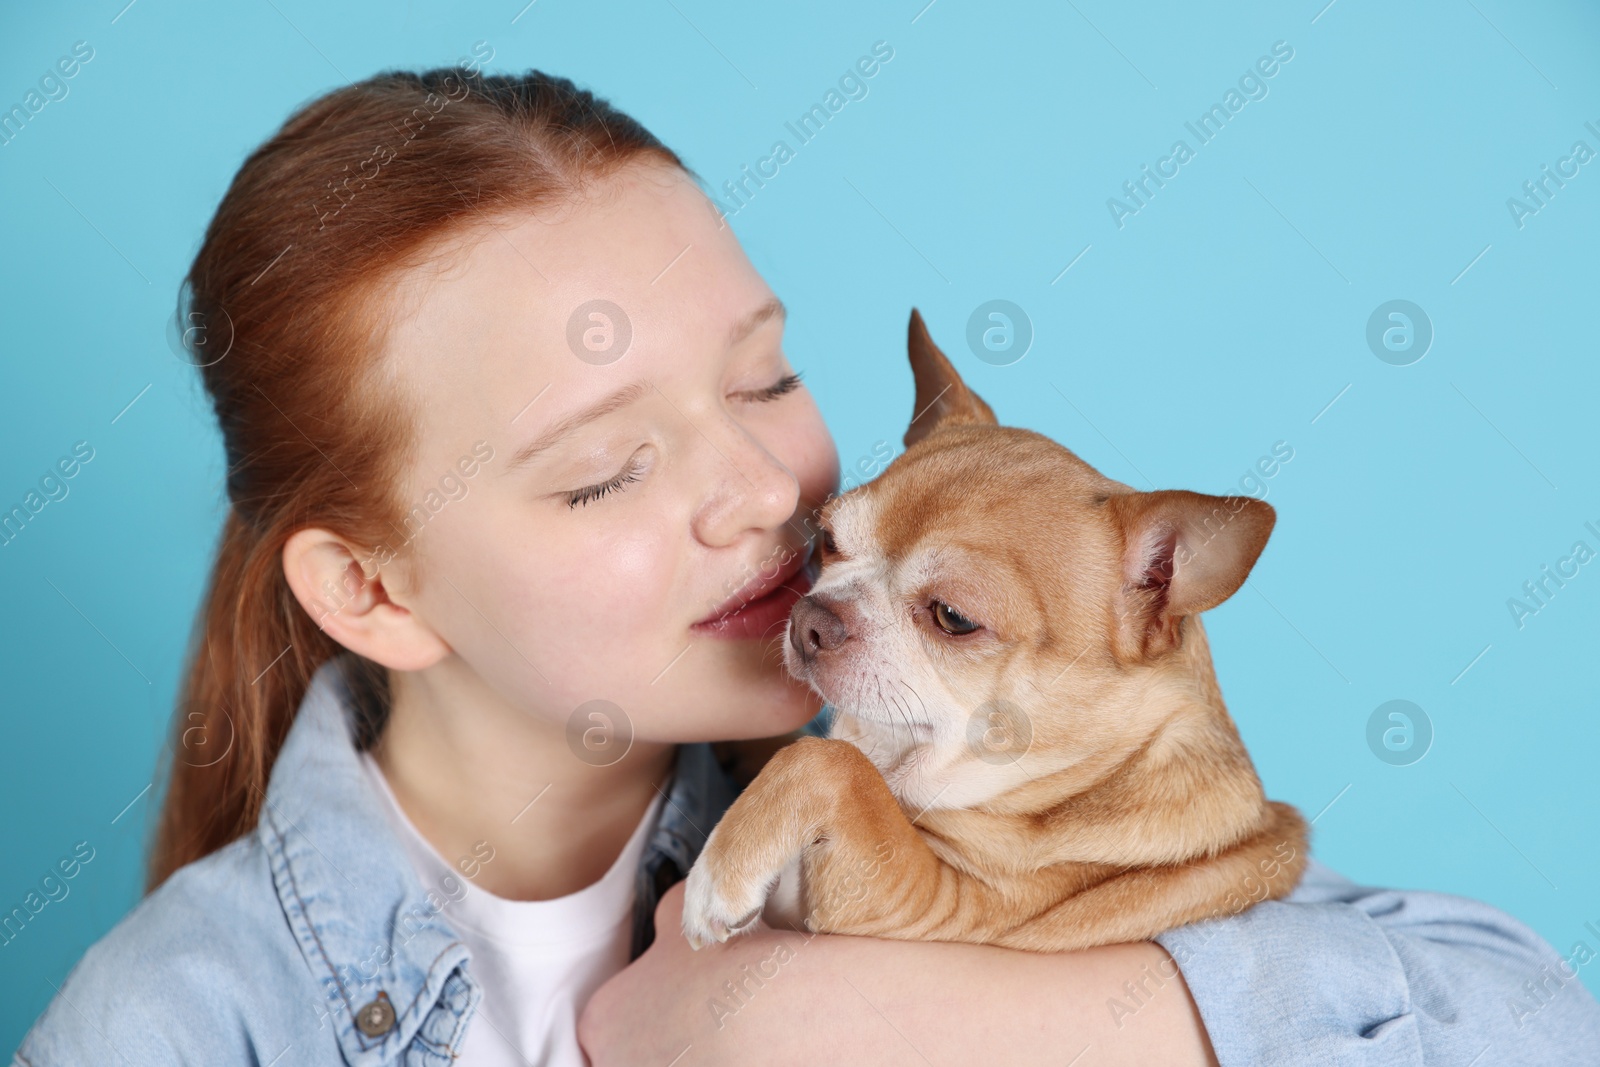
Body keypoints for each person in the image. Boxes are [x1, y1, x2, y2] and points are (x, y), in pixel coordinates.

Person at [13, 67, 1599, 1067]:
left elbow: (1525, 1021)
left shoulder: (947, 788)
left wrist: (873, 1019)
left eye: (768, 378)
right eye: (608, 468)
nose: (757, 487)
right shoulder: (180, 1019)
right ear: (374, 593)